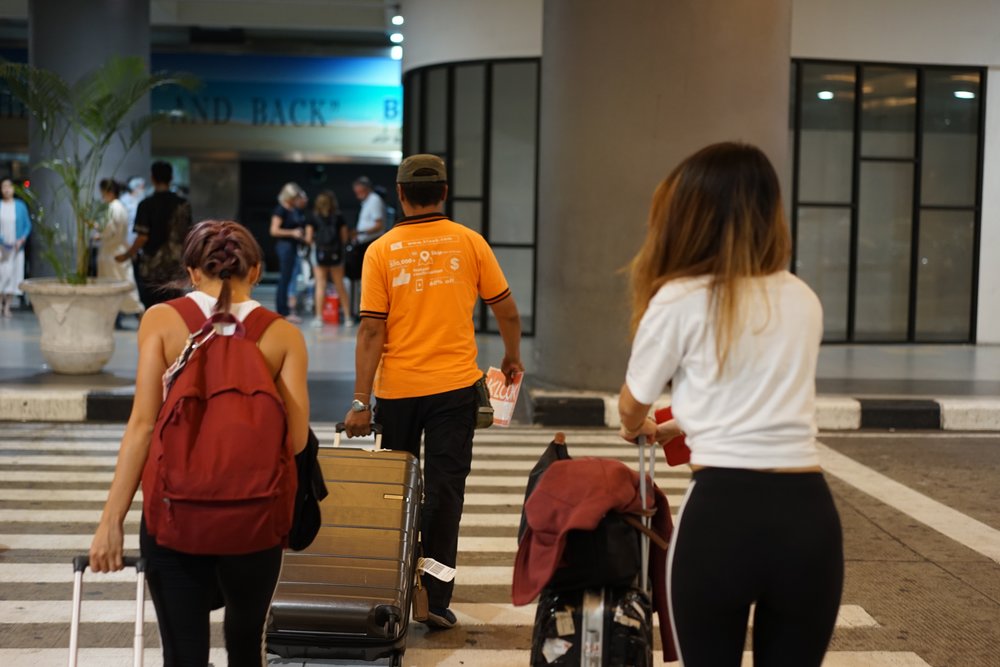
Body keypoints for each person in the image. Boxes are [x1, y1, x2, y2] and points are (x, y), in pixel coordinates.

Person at [617, 142, 843, 666]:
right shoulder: (802, 297)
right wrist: (683, 426)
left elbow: (632, 407)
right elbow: (755, 395)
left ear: (689, 215)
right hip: (809, 517)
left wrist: (643, 425)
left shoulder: (678, 298)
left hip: (722, 516)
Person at [89, 219, 310, 667]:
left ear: (192, 272)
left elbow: (143, 426)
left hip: (174, 517)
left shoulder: (162, 321)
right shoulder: (283, 334)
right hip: (256, 518)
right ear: (255, 270)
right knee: (245, 645)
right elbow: (299, 439)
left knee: (183, 653)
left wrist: (110, 520)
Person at [343, 154, 524, 630]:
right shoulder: (471, 243)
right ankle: (436, 599)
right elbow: (505, 309)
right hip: (453, 392)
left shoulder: (381, 250)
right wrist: (511, 357)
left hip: (397, 393)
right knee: (445, 492)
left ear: (400, 195)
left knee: (392, 495)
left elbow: (370, 333)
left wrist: (362, 402)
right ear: (445, 192)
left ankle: (392, 591)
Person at [118, 161, 192, 309]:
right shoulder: (183, 204)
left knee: (152, 307)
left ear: (152, 178)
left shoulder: (146, 204)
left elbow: (142, 237)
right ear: (171, 178)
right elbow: (187, 235)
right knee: (174, 307)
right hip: (175, 266)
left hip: (152, 266)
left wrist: (127, 255)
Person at [96, 179, 144, 328]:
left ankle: (139, 314)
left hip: (112, 252)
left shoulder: (112, 208)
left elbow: (109, 230)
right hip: (117, 250)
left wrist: (98, 232)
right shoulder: (120, 207)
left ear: (108, 192)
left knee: (117, 286)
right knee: (124, 285)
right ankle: (123, 316)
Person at [345, 176, 386, 323]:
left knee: (366, 279)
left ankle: (364, 311)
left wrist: (360, 233)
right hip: (362, 242)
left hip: (369, 242)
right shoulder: (367, 202)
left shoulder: (374, 200)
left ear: (366, 189)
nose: (357, 195)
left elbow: (378, 224)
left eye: (360, 191)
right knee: (357, 279)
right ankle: (358, 309)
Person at [306, 189, 349, 328]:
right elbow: (344, 238)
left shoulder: (313, 217)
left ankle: (318, 317)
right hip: (336, 255)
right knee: (340, 285)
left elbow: (308, 238)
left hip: (320, 254)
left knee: (320, 284)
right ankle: (348, 317)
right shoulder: (339, 217)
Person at [270, 182, 307, 322]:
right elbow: (274, 230)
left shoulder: (294, 209)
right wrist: (292, 232)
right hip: (285, 247)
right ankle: (283, 310)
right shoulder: (281, 210)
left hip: (293, 247)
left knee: (290, 279)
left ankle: (285, 310)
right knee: (284, 279)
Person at [0, 177, 30, 318]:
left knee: (13, 276)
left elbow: (27, 225)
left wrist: (21, 239)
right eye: (4, 186)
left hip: (16, 248)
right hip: (2, 248)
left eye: (9, 186)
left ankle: (7, 307)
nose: (7, 189)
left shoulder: (20, 206)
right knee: (2, 275)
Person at [119, 176, 146, 247]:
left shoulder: (142, 200)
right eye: (141, 187)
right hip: (127, 236)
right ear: (134, 187)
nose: (143, 189)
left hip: (139, 236)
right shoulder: (124, 200)